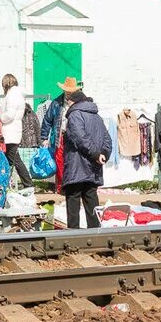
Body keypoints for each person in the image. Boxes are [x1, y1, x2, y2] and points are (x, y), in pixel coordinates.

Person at [61, 88, 111, 229]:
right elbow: (107, 139)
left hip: (76, 166)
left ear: (73, 102)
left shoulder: (75, 116)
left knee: (73, 200)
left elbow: (80, 138)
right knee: (91, 201)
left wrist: (95, 154)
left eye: (68, 103)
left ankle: (73, 234)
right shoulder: (97, 117)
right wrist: (103, 155)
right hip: (93, 167)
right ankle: (95, 233)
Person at [0, 74, 33, 190]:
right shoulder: (17, 95)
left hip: (10, 132)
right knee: (10, 160)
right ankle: (5, 184)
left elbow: (10, 115)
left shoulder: (12, 96)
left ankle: (28, 184)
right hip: (13, 131)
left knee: (14, 160)